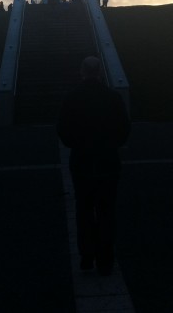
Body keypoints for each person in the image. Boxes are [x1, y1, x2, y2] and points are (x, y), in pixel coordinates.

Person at [57, 56, 130, 275]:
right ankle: (106, 258)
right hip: (108, 162)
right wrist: (112, 145)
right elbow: (124, 130)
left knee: (84, 209)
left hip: (82, 162)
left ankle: (87, 256)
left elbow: (63, 130)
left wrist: (76, 145)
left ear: (82, 72)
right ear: (100, 72)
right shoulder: (113, 97)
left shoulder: (71, 98)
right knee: (107, 211)